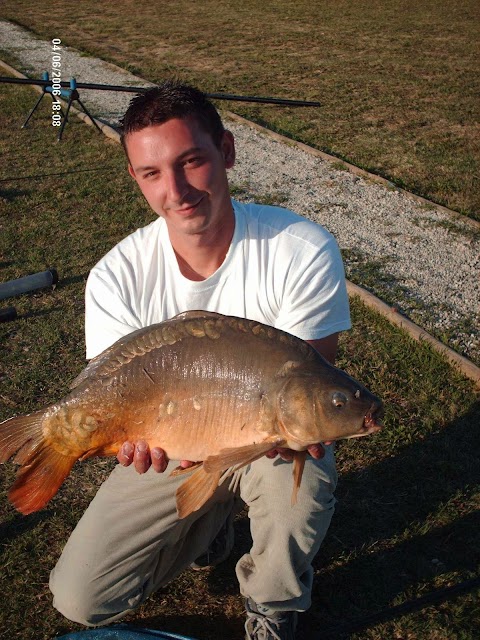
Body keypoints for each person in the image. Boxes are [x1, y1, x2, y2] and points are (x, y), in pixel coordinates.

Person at [49, 81, 351, 640]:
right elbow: (113, 398)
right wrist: (125, 441)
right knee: (80, 599)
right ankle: (210, 525)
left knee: (302, 475)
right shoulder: (116, 275)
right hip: (170, 447)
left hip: (270, 443)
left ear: (227, 152)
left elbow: (313, 390)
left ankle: (272, 603)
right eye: (152, 173)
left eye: (192, 162)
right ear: (136, 178)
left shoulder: (300, 246)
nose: (178, 190)